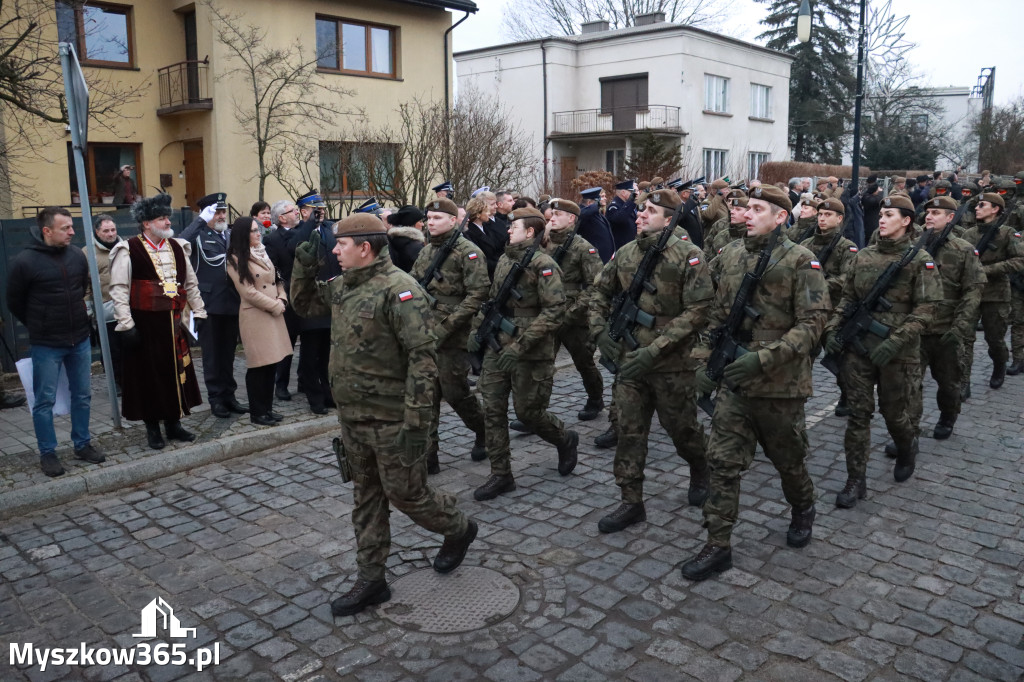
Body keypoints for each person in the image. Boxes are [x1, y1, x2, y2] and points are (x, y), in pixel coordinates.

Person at [290, 212, 477, 617]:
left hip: (393, 420)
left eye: (341, 245)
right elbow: (304, 304)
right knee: (366, 496)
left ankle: (459, 527)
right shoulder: (343, 287)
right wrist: (303, 266)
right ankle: (371, 579)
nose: (335, 250)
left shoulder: (400, 290)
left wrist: (417, 423)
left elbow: (423, 360)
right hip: (354, 418)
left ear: (365, 248)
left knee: (408, 495)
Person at [683, 185, 828, 581]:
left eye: (758, 208)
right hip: (735, 383)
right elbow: (712, 316)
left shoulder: (802, 261)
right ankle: (718, 544)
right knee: (722, 462)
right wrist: (702, 364)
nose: (747, 213)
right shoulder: (728, 255)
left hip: (780, 385)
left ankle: (803, 507)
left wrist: (762, 359)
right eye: (746, 207)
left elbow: (813, 324)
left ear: (781, 216)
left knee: (788, 462)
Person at [590, 189, 713, 533]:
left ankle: (701, 467)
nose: (640, 214)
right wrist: (600, 329)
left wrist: (655, 349)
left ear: (670, 217)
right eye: (641, 209)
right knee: (629, 431)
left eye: (649, 210)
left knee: (683, 431)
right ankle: (631, 501)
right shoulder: (627, 252)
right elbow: (599, 291)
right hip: (631, 362)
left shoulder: (689, 255)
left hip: (672, 364)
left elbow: (699, 309)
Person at [824, 193, 942, 510]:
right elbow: (848, 298)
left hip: (897, 353)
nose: (882, 218)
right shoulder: (863, 256)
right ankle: (855, 479)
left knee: (895, 415)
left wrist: (896, 339)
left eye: (890, 214)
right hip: (859, 351)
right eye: (882, 213)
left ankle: (906, 447)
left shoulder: (920, 260)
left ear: (906, 221)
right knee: (858, 417)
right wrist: (833, 328)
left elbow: (928, 309)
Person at [469, 206, 578, 502]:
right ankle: (501, 474)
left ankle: (564, 439)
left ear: (529, 232)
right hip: (497, 347)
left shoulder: (544, 265)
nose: (507, 229)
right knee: (492, 409)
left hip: (531, 351)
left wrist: (520, 345)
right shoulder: (505, 259)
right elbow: (493, 301)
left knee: (529, 413)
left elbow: (555, 311)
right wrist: (476, 332)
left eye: (513, 226)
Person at [7, 207, 104, 476]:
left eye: (72, 227)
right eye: (66, 228)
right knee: (44, 400)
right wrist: (41, 323)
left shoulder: (76, 255)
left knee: (82, 394)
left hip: (80, 340)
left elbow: (82, 288)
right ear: (47, 231)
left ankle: (82, 444)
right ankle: (48, 453)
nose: (73, 232)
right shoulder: (25, 261)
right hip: (46, 343)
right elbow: (14, 301)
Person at [109, 195, 206, 450]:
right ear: (146, 223)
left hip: (174, 322)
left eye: (167, 217)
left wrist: (200, 312)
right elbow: (119, 289)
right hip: (145, 325)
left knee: (175, 373)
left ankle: (174, 424)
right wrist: (126, 324)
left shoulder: (177, 246)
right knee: (149, 377)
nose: (167, 221)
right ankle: (153, 428)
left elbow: (191, 284)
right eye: (161, 218)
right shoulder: (128, 249)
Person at [409, 198, 490, 473]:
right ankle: (429, 455)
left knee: (456, 393)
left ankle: (484, 431)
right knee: (426, 395)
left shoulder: (469, 253)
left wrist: (446, 327)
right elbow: (414, 284)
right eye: (429, 218)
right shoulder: (426, 251)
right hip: (424, 334)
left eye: (437, 218)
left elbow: (478, 294)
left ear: (454, 220)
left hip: (453, 336)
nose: (431, 223)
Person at [899, 196, 984, 445]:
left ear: (950, 218)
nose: (929, 216)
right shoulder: (912, 246)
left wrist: (960, 327)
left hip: (947, 330)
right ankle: (909, 434)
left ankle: (948, 417)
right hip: (916, 330)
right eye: (928, 212)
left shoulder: (963, 249)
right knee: (910, 385)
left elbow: (973, 290)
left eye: (936, 213)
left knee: (948, 384)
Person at [179, 192, 247, 418]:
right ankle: (216, 398)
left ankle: (230, 396)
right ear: (205, 213)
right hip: (209, 305)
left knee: (228, 354)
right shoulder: (198, 235)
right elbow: (179, 245)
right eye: (216, 212)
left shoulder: (227, 234)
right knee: (212, 355)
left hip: (231, 302)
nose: (221, 216)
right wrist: (199, 221)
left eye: (222, 211)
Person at [226, 216, 292, 426]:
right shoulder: (235, 259)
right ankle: (258, 412)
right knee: (259, 366)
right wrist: (275, 306)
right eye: (253, 231)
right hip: (256, 315)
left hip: (273, 312)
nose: (258, 234)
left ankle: (268, 409)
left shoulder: (262, 253)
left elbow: (276, 280)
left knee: (272, 363)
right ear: (243, 235)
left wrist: (282, 298)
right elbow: (248, 292)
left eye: (258, 230)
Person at [544, 199, 605, 421]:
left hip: (574, 316)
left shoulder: (583, 248)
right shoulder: (544, 244)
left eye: (558, 214)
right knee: (542, 364)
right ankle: (534, 411)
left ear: (571, 219)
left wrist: (573, 313)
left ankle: (595, 399)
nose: (552, 217)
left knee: (584, 362)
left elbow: (595, 286)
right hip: (548, 313)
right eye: (551, 213)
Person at [800, 197, 858, 415]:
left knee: (839, 357)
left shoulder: (847, 248)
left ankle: (846, 393)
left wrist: (821, 282)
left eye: (828, 215)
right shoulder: (806, 245)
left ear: (839, 218)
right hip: (807, 311)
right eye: (820, 214)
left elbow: (847, 279)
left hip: (833, 311)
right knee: (803, 357)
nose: (822, 219)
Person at [960, 193, 1024, 390]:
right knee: (965, 339)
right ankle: (964, 382)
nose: (977, 208)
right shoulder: (969, 234)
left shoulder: (1007, 233)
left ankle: (999, 365)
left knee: (994, 339)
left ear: (995, 209)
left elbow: (1019, 260)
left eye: (982, 205)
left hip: (996, 294)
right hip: (971, 293)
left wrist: (986, 270)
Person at [286, 190, 340, 415]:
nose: (321, 213)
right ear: (304, 211)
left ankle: (328, 394)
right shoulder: (298, 232)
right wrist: (309, 224)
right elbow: (293, 250)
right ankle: (314, 397)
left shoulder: (330, 230)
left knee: (327, 355)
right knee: (309, 355)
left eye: (322, 209)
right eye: (315, 209)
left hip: (329, 298)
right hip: (309, 301)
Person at [265, 199, 303, 401]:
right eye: (292, 211)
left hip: (307, 296)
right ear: (281, 218)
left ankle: (305, 381)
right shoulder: (272, 240)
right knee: (287, 343)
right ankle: (281, 385)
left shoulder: (305, 232)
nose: (296, 213)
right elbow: (273, 269)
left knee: (310, 342)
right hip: (288, 296)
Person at [87, 213, 123, 391]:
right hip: (105, 310)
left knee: (130, 347)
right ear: (97, 232)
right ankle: (115, 381)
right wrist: (88, 311)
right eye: (105, 231)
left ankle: (131, 379)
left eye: (113, 229)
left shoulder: (127, 248)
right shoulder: (88, 253)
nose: (110, 234)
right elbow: (84, 286)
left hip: (129, 307)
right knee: (111, 350)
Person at [463, 193, 505, 280]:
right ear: (478, 214)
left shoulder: (486, 228)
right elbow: (481, 259)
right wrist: (499, 264)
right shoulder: (470, 233)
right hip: (484, 276)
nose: (489, 213)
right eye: (486, 211)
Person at [578, 187, 615, 262]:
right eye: (599, 199)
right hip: (595, 259)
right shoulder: (583, 213)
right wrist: (596, 205)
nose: (604, 199)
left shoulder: (597, 214)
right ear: (589, 203)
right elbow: (581, 214)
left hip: (606, 258)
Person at [385, 205, 426, 273]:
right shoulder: (415, 246)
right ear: (411, 223)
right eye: (420, 221)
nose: (422, 224)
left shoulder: (392, 240)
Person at [606, 180, 639, 250]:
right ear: (623, 192)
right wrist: (630, 202)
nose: (634, 194)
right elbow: (620, 219)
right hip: (621, 247)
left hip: (629, 245)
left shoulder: (626, 204)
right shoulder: (614, 206)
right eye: (631, 191)